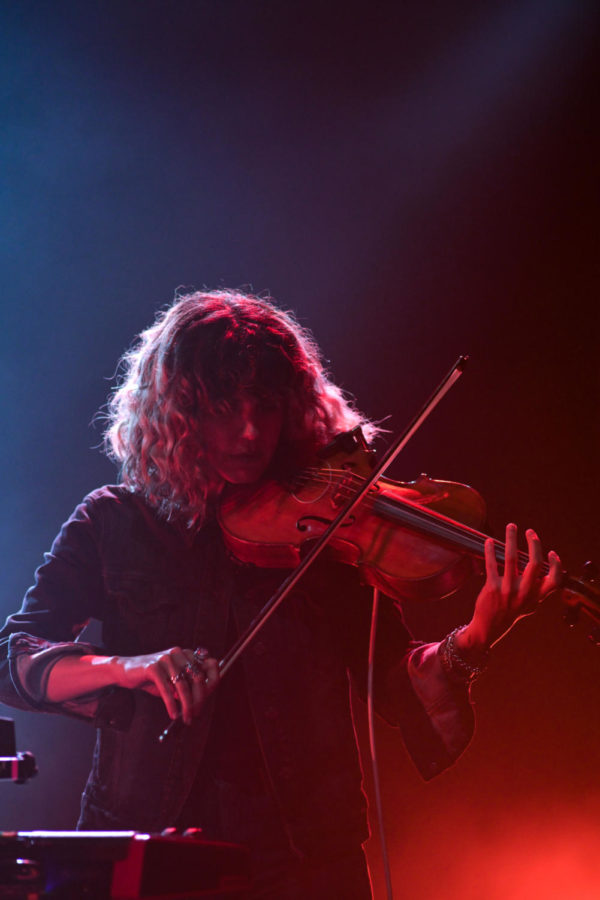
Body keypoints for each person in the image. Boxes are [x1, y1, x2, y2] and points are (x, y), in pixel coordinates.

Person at [0, 289, 562, 898]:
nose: (249, 432)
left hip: (305, 864)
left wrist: (476, 636)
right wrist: (127, 668)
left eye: (266, 407)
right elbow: (15, 658)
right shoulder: (114, 522)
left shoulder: (328, 524)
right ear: (177, 413)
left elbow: (398, 689)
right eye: (222, 406)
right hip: (145, 855)